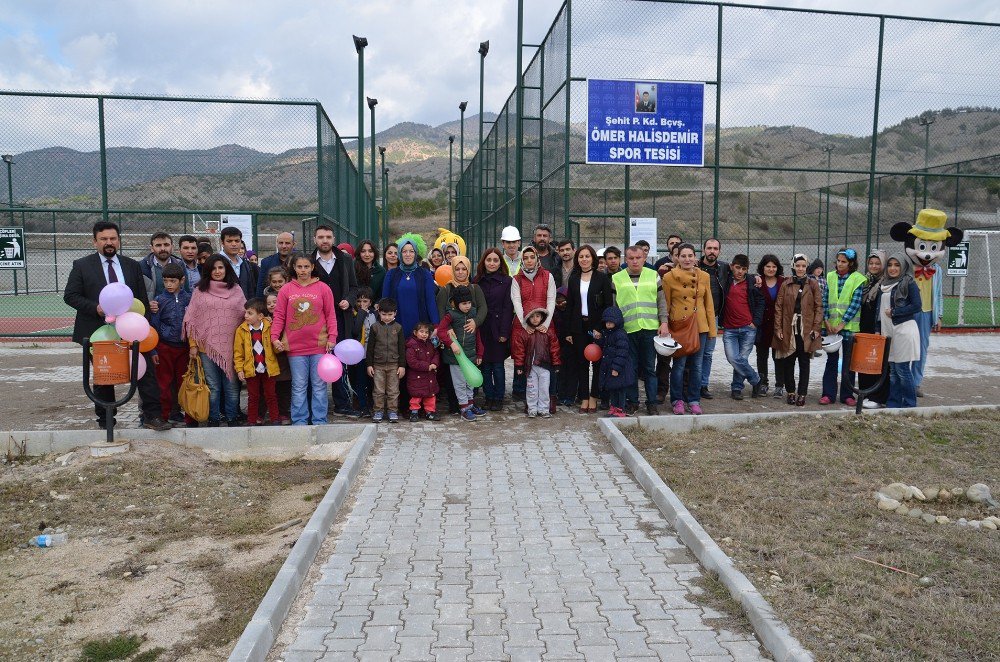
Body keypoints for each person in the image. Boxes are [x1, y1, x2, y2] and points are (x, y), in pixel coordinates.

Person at [63, 221, 169, 431]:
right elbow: (70, 296)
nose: (109, 243)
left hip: (132, 330)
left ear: (119, 240)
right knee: (104, 377)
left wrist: (143, 327)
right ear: (95, 242)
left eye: (113, 238)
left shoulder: (131, 265)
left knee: (145, 374)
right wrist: (97, 308)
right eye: (104, 239)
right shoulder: (82, 265)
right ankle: (106, 421)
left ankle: (152, 417)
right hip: (99, 332)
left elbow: (141, 299)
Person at [271, 254, 338, 425]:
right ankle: (299, 421)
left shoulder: (323, 288)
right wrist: (274, 337)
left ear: (312, 267)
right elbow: (279, 316)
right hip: (295, 348)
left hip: (319, 345)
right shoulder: (286, 290)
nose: (303, 270)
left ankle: (319, 420)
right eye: (299, 267)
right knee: (299, 386)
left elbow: (330, 315)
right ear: (294, 268)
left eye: (306, 267)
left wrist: (332, 337)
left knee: (319, 386)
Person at [183, 254, 247, 426]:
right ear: (207, 271)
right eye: (213, 268)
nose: (217, 271)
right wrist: (193, 345)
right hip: (206, 347)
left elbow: (245, 316)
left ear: (226, 269)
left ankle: (232, 418)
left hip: (233, 348)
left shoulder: (237, 290)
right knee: (213, 386)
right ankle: (214, 419)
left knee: (232, 387)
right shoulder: (199, 291)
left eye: (221, 267)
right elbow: (192, 320)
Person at [610, 245, 669, 415]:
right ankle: (633, 401)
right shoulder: (617, 278)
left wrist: (663, 322)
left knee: (649, 368)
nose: (635, 261)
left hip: (650, 328)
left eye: (638, 258)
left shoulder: (653, 275)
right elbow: (614, 306)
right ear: (625, 259)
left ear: (644, 258)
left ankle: (652, 403)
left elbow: (661, 301)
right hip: (628, 330)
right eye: (631, 258)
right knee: (631, 368)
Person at [662, 243, 716, 415]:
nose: (687, 259)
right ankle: (677, 400)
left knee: (697, 366)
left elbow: (709, 304)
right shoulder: (669, 277)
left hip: (700, 325)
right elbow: (667, 304)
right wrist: (665, 326)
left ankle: (693, 400)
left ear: (695, 257)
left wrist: (712, 330)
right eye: (683, 256)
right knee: (679, 365)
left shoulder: (704, 277)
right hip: (680, 326)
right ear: (677, 257)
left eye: (690, 255)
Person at [312, 225, 359, 417]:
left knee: (339, 361)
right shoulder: (307, 262)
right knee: (315, 361)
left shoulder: (345, 260)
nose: (325, 240)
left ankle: (341, 404)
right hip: (314, 322)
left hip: (340, 318)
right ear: (315, 239)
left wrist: (348, 300)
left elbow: (355, 288)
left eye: (328, 237)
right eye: (321, 237)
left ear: (333, 239)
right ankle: (315, 407)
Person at [564, 245, 612, 413]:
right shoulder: (574, 278)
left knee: (597, 363)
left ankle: (594, 397)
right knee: (581, 363)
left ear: (593, 258)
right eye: (581, 257)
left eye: (587, 256)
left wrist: (600, 328)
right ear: (577, 259)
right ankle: (584, 397)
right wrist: (568, 331)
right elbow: (570, 305)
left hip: (596, 327)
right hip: (578, 327)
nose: (584, 259)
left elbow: (607, 305)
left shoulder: (602, 278)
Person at [773, 253, 822, 407]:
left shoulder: (813, 284)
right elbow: (779, 307)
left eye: (803, 266)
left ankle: (802, 394)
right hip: (789, 327)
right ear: (793, 266)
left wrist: (816, 327)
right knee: (788, 361)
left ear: (807, 267)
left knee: (804, 362)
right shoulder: (786, 284)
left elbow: (818, 307)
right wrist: (778, 328)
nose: (800, 268)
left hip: (806, 329)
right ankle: (791, 392)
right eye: (798, 265)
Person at [510, 246, 556, 403]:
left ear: (537, 258)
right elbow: (516, 301)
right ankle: (523, 395)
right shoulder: (517, 279)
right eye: (526, 258)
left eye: (532, 257)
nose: (529, 260)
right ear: (522, 260)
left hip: (544, 324)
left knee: (544, 359)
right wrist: (525, 324)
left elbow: (551, 299)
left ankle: (546, 397)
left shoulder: (547, 276)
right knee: (524, 358)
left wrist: (546, 323)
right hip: (523, 326)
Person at [821, 248, 865, 406]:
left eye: (844, 262)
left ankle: (847, 395)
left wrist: (841, 324)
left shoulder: (857, 279)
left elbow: (855, 304)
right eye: (838, 261)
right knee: (831, 361)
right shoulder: (830, 276)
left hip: (848, 328)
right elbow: (825, 300)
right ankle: (828, 394)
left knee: (849, 363)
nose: (840, 264)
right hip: (831, 328)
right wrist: (826, 320)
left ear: (851, 263)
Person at [876, 256, 922, 408]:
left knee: (902, 370)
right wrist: (877, 330)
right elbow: (879, 311)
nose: (893, 268)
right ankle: (894, 403)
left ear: (903, 267)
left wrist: (896, 312)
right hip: (888, 331)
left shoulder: (909, 283)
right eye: (890, 265)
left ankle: (909, 404)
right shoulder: (883, 284)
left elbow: (917, 306)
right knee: (893, 372)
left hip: (903, 330)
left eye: (897, 265)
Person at [150, 263, 192, 426]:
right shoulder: (159, 301)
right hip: (164, 348)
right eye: (166, 281)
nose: (169, 284)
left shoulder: (189, 298)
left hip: (184, 348)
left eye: (172, 281)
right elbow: (154, 327)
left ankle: (189, 416)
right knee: (164, 383)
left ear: (182, 281)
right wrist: (153, 350)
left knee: (184, 382)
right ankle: (164, 416)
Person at [436, 286, 485, 422]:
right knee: (460, 383)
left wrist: (479, 354)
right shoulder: (451, 315)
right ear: (456, 303)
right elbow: (440, 330)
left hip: (471, 356)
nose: (467, 306)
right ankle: (463, 408)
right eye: (464, 304)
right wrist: (451, 344)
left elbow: (478, 335)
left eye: (469, 303)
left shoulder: (473, 314)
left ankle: (470, 405)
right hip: (455, 358)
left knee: (470, 382)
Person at [720, 254, 765, 400]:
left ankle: (737, 388)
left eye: (743, 269)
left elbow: (760, 302)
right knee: (733, 358)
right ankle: (756, 380)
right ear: (732, 266)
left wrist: (755, 322)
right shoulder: (726, 279)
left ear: (747, 270)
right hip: (729, 328)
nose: (740, 271)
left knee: (741, 359)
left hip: (748, 328)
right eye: (737, 267)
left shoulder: (752, 282)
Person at [475, 248, 514, 411]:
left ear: (500, 263)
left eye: (495, 260)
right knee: (484, 365)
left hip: (498, 328)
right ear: (484, 262)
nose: (492, 263)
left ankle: (498, 397)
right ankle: (488, 396)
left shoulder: (507, 281)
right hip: (482, 328)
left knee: (498, 366)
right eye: (489, 260)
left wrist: (505, 332)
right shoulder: (477, 281)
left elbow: (507, 308)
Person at [234, 298, 281, 426]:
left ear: (260, 316)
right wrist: (239, 369)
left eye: (250, 313)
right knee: (253, 397)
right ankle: (251, 421)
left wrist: (278, 347)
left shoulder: (269, 327)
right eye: (245, 313)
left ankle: (275, 419)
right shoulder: (241, 330)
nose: (245, 316)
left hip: (268, 369)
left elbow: (275, 348)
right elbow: (238, 353)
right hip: (251, 369)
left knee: (271, 395)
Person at [512, 307, 561, 418]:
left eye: (537, 316)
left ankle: (543, 409)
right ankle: (532, 408)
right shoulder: (524, 333)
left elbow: (555, 348)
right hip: (530, 367)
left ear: (542, 317)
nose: (535, 319)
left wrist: (556, 363)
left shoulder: (548, 332)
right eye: (532, 317)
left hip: (545, 366)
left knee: (544, 388)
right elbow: (519, 350)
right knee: (531, 389)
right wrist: (519, 365)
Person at [697, 238, 730, 400]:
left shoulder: (724, 268)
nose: (712, 251)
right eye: (709, 248)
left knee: (708, 353)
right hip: (695, 317)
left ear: (719, 251)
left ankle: (703, 384)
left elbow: (741, 274)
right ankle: (692, 384)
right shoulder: (694, 266)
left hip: (713, 317)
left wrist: (756, 277)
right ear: (703, 250)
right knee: (694, 352)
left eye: (715, 249)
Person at [367, 297, 406, 423]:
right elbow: (370, 348)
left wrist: (402, 366)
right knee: (378, 390)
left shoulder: (398, 328)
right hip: (377, 365)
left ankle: (392, 411)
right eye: (384, 314)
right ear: (379, 312)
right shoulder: (374, 327)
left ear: (395, 313)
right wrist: (369, 365)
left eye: (390, 314)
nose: (387, 317)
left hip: (394, 365)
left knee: (393, 390)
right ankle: (378, 411)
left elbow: (401, 348)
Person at [859, 250, 890, 409]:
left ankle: (878, 396)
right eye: (871, 263)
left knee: (878, 362)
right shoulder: (865, 281)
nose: (874, 266)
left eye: (877, 263)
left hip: (878, 328)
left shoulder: (885, 283)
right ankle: (864, 392)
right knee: (863, 361)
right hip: (863, 327)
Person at [755, 254, 786, 398]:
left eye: (774, 266)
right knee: (761, 356)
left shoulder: (783, 282)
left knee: (778, 357)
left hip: (778, 325)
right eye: (768, 266)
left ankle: (780, 385)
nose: (771, 269)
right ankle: (762, 383)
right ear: (763, 267)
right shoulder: (757, 281)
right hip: (762, 325)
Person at [598, 307, 635, 418]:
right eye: (606, 322)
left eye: (611, 322)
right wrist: (598, 339)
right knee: (612, 388)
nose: (608, 324)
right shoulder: (607, 333)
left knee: (620, 390)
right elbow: (604, 346)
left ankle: (620, 409)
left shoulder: (620, 334)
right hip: (610, 365)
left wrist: (616, 368)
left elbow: (622, 352)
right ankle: (613, 407)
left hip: (619, 368)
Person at [264, 292, 292, 424]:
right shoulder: (264, 320)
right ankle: (275, 413)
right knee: (273, 388)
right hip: (271, 358)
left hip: (285, 357)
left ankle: (285, 413)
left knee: (285, 387)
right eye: (268, 303)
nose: (271, 305)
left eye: (274, 302)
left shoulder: (287, 316)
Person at [349, 286, 377, 417]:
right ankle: (362, 406)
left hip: (372, 355)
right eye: (359, 301)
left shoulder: (375, 315)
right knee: (360, 381)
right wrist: (361, 313)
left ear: (370, 302)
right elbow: (355, 330)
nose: (362, 304)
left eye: (365, 301)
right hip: (359, 355)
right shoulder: (353, 314)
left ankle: (372, 404)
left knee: (372, 381)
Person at [406, 322, 440, 421]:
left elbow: (436, 355)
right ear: (415, 332)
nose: (424, 334)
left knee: (430, 395)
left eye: (426, 332)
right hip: (417, 377)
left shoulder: (430, 344)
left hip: (430, 376)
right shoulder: (412, 345)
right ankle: (414, 412)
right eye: (421, 331)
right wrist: (427, 366)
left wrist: (434, 364)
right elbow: (412, 362)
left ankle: (430, 412)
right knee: (416, 396)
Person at [141, 232, 187, 300]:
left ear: (172, 247)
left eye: (166, 245)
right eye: (158, 245)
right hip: (152, 309)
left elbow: (186, 289)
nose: (163, 248)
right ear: (152, 248)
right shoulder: (142, 266)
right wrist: (148, 304)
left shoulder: (180, 264)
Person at [220, 226, 260, 300]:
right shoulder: (215, 263)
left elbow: (250, 290)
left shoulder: (246, 264)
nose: (234, 244)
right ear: (222, 243)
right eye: (229, 241)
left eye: (237, 241)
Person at [256, 231, 295, 297]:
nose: (284, 246)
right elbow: (260, 288)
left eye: (287, 243)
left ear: (293, 244)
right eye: (281, 243)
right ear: (277, 244)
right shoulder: (266, 262)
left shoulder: (300, 262)